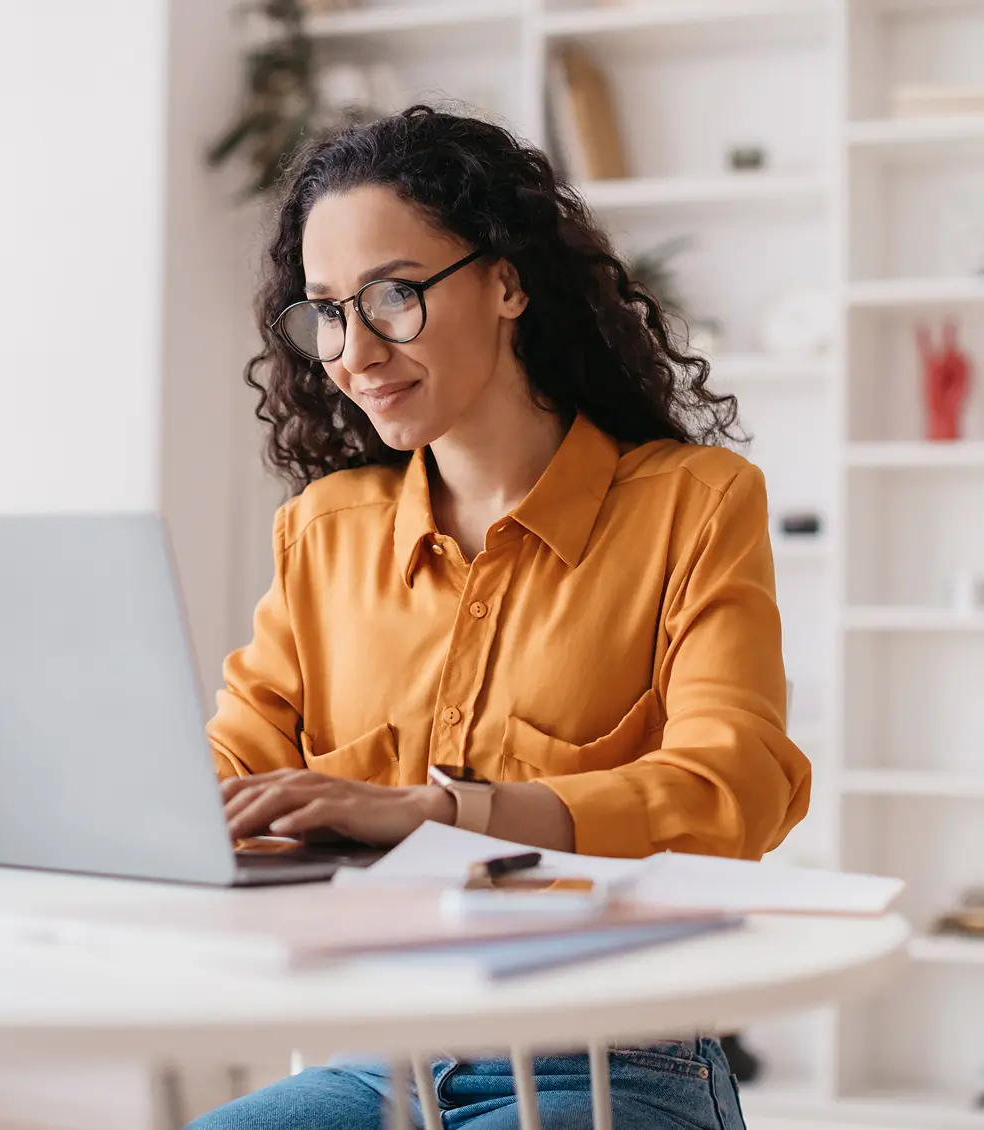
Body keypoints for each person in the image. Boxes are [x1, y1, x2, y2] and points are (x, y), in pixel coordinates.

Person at [192, 106, 810, 1130]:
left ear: (506, 281)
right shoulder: (322, 533)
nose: (352, 352)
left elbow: (732, 784)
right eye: (326, 311)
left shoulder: (691, 502)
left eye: (393, 295)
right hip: (376, 1054)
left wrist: (448, 816)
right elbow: (231, 784)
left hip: (614, 1056)